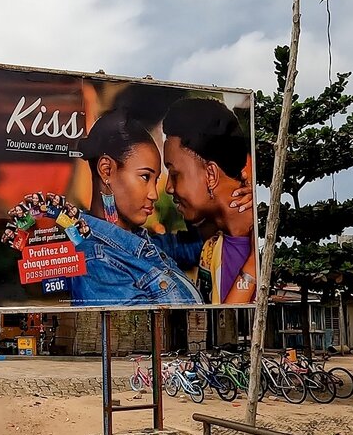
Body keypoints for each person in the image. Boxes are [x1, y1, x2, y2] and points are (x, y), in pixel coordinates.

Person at [66, 109, 202, 306]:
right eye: (145, 177)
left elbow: (200, 244)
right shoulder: (97, 261)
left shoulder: (142, 245)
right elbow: (140, 336)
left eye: (155, 181)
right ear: (107, 170)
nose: (154, 194)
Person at [159, 98, 257, 304]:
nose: (168, 187)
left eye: (175, 174)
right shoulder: (211, 248)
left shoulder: (262, 243)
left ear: (211, 175)